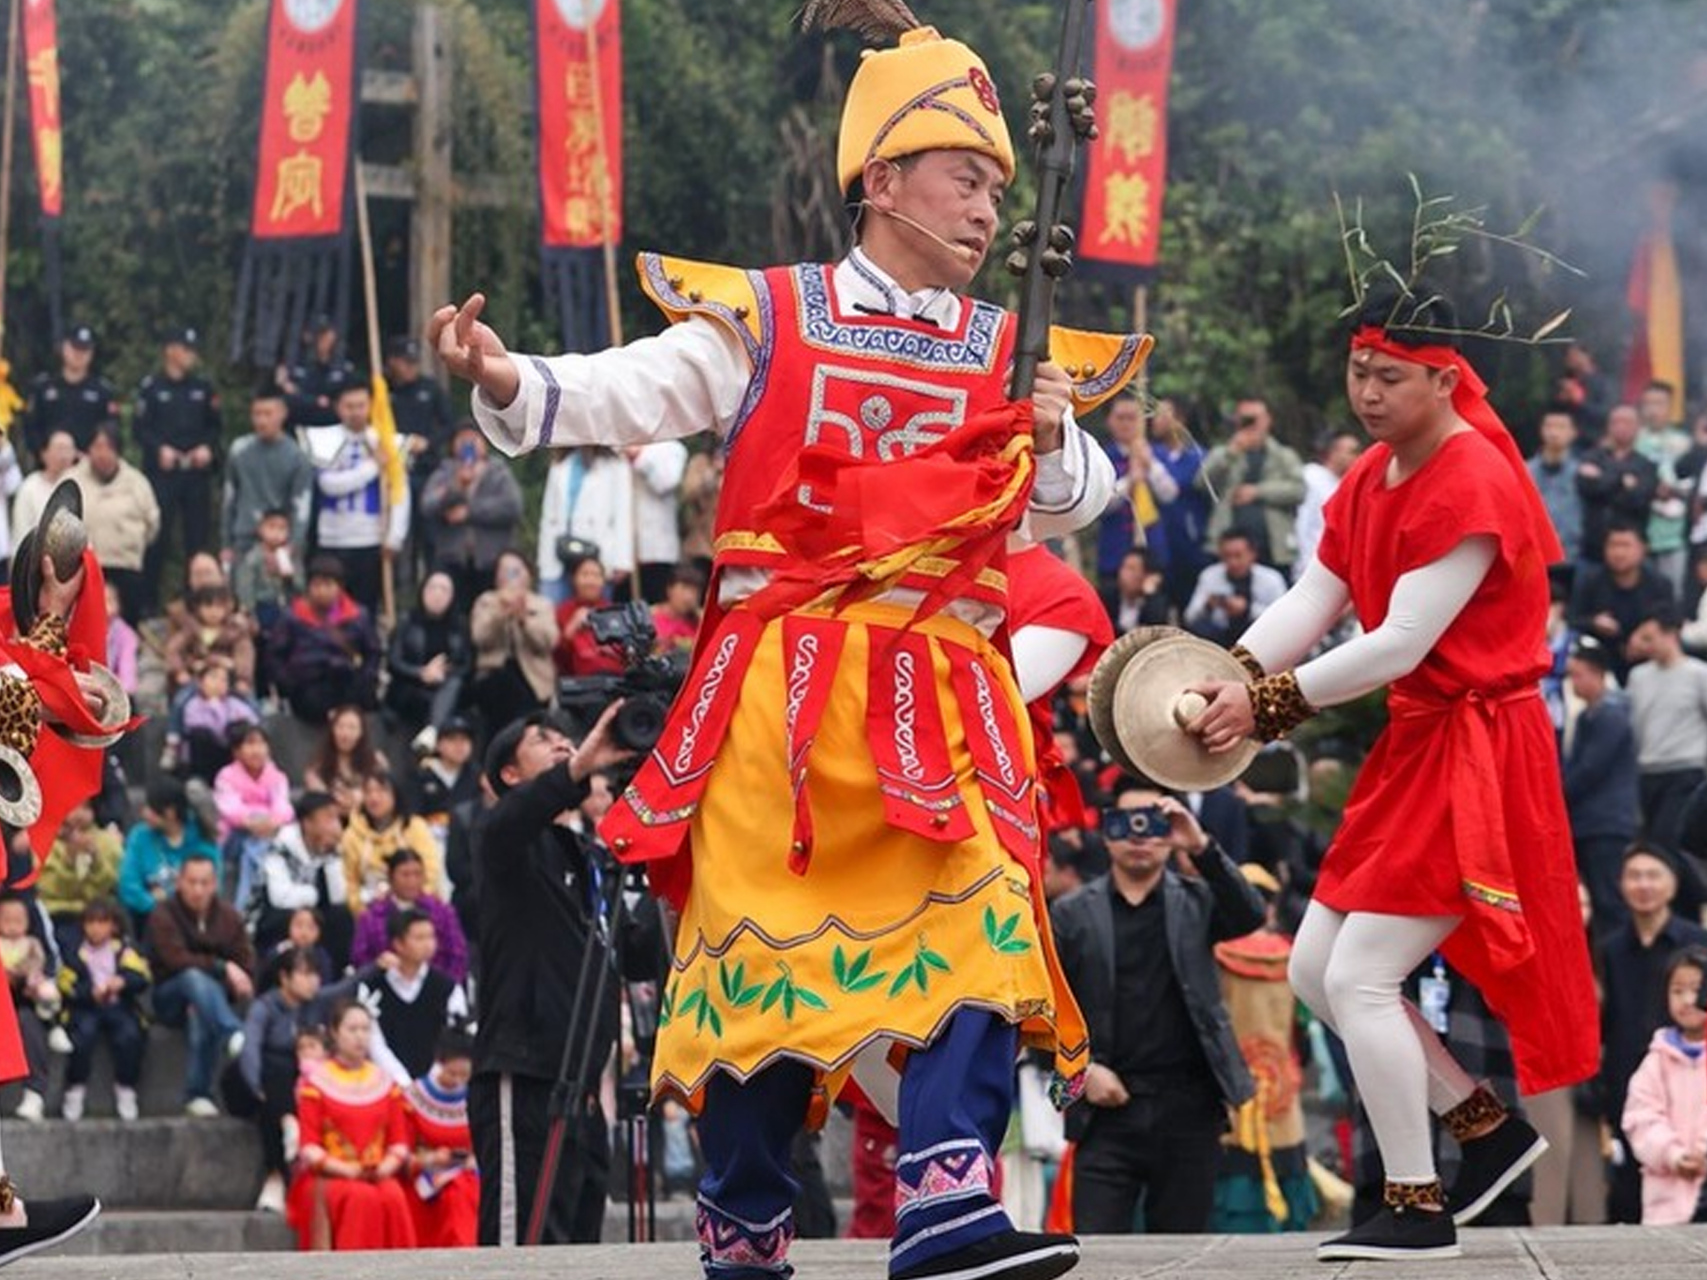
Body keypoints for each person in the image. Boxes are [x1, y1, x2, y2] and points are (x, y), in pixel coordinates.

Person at [437, 17, 1141, 1274]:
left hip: (939, 698)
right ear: (881, 180)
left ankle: (945, 1206)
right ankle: (747, 1229)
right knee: (762, 969)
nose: (986, 211)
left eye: (996, 187)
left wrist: (1050, 426)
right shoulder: (771, 314)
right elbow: (628, 390)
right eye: (963, 178)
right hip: (784, 697)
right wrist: (507, 377)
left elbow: (1076, 495)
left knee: (983, 923)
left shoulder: (1002, 348)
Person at [1187, 288, 1599, 1259]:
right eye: (1358, 370)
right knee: (1314, 968)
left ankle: (1417, 1203)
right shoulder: (1371, 475)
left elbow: (1401, 641)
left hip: (1480, 750)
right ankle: (1482, 1124)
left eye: (1389, 376)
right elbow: (1318, 594)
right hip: (1419, 745)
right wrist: (1217, 675)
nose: (1366, 392)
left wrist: (1268, 703)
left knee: (1365, 974)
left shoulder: (1476, 478)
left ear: (1445, 378)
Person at [467, 711, 661, 1246]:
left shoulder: (588, 860)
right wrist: (578, 765)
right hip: (526, 1078)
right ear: (509, 774)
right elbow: (517, 819)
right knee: (523, 1253)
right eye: (543, 740)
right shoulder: (502, 838)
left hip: (586, 1093)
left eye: (564, 737)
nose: (562, 743)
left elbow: (638, 954)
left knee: (577, 1251)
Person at [1048, 780, 1264, 1234]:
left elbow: (1250, 914)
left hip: (1190, 1107)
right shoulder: (1070, 914)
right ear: (1106, 833)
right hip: (1106, 1111)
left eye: (1154, 822)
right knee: (1098, 1257)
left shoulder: (1197, 900)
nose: (1140, 834)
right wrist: (1081, 1073)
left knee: (1181, 1250)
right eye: (1126, 823)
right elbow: (1042, 1009)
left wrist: (1200, 845)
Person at [1598, 843, 1707, 1223]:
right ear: (1621, 885)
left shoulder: (1697, 942)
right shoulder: (1609, 948)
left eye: (1653, 875)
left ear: (1673, 885)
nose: (1643, 885)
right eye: (1634, 876)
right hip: (1628, 1077)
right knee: (1631, 1190)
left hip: (1693, 1073)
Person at [1210, 862, 1319, 1233]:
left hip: (1230, 1085)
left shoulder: (1216, 953)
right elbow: (1303, 1027)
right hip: (1280, 1083)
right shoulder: (1293, 955)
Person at [287, 998, 418, 1251]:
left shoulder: (384, 1082)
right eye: (352, 1029)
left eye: (365, 1029)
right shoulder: (316, 1084)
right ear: (335, 1033)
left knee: (394, 1196)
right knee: (360, 1198)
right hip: (331, 1175)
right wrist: (348, 1171)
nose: (360, 1037)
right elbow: (309, 1146)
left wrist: (384, 1167)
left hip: (377, 1172)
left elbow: (399, 1141)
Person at [146, 852, 254, 1117]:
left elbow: (246, 962)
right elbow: (175, 959)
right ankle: (231, 1032)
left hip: (212, 999)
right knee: (193, 977)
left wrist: (230, 976)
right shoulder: (163, 914)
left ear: (214, 884)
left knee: (200, 1010)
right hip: (168, 994)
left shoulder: (229, 916)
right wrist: (222, 967)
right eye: (192, 882)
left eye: (204, 883)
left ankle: (198, 1094)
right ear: (180, 882)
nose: (198, 890)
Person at [135, 327, 223, 612]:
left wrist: (207, 448)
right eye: (186, 349)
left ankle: (196, 604)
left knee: (196, 541)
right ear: (170, 350)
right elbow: (140, 429)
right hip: (163, 475)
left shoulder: (203, 388)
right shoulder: (151, 388)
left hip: (195, 475)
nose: (190, 356)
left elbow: (215, 428)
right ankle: (148, 605)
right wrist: (158, 449)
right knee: (156, 541)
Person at [239, 946, 330, 1214]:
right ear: (284, 977)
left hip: (287, 1088)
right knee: (274, 1072)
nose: (312, 981)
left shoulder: (315, 1005)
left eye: (315, 974)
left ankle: (279, 1173)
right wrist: (256, 1087)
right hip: (253, 1083)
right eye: (304, 974)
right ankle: (276, 1173)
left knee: (283, 1080)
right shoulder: (264, 1006)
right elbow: (250, 1049)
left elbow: (346, 986)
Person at [1619, 946, 1707, 1224]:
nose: (1688, 1000)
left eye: (1696, 989)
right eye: (1677, 990)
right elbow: (1640, 1117)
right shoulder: (1656, 1060)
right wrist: (1674, 1155)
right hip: (1665, 1202)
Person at [310, 382, 410, 615]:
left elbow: (399, 491)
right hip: (333, 538)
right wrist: (372, 467)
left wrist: (395, 536)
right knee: (330, 607)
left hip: (370, 537)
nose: (355, 412)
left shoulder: (385, 440)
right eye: (349, 406)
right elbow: (329, 484)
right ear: (338, 407)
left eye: (361, 405)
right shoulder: (326, 439)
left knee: (365, 608)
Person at [1561, 637, 1639, 932]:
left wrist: (1557, 794)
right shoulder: (1585, 717)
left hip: (1607, 822)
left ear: (1598, 673)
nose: (1573, 683)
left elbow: (1590, 768)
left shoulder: (1612, 714)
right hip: (1586, 822)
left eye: (1578, 675)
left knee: (1609, 900)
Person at [1626, 604, 1707, 864]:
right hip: (1648, 771)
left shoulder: (1698, 673)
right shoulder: (1637, 676)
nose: (1646, 645)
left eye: (1650, 638)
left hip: (1686, 770)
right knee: (1654, 848)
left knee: (1671, 843)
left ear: (1671, 634)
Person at [57, 899, 149, 1124]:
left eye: (102, 922)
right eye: (91, 922)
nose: (96, 928)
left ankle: (126, 1086)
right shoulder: (74, 953)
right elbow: (66, 984)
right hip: (85, 1008)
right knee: (82, 1037)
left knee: (129, 1036)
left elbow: (142, 977)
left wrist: (122, 981)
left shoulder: (124, 950)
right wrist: (89, 992)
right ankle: (75, 1088)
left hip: (119, 1005)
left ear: (113, 926)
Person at [353, 908, 467, 1084]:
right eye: (419, 938)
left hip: (435, 1084)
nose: (428, 944)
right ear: (398, 943)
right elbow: (374, 1043)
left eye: (431, 937)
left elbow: (454, 1038)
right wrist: (403, 1082)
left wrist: (428, 1083)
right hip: (386, 1083)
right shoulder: (372, 987)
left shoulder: (448, 988)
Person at [419, 425, 523, 608]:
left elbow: (512, 507)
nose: (468, 444)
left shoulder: (498, 472)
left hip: (491, 561)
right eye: (462, 439)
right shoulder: (444, 472)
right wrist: (456, 487)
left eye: (474, 439)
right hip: (452, 560)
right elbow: (428, 505)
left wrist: (470, 512)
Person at [1199, 396, 1305, 575]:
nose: (1251, 423)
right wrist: (1231, 453)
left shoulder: (1284, 456)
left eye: (1255, 418)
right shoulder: (1223, 453)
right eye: (1245, 418)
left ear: (1268, 420)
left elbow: (1299, 490)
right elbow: (1202, 484)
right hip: (1228, 549)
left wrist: (1258, 492)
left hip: (1274, 548)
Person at [271, 558, 383, 724]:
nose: (322, 591)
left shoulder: (358, 616)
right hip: (308, 683)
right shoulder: (292, 617)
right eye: (316, 585)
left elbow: (373, 652)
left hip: (347, 680)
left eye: (328, 585)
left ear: (339, 587)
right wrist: (289, 685)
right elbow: (275, 655)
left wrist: (366, 677)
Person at [70, 422, 160, 622]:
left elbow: (152, 523)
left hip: (126, 566)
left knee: (127, 627)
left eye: (108, 447)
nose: (102, 454)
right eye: (97, 447)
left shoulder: (137, 483)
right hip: (84, 567)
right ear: (89, 449)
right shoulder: (72, 480)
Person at [222, 385, 313, 569]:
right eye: (257, 414)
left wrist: (292, 546)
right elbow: (229, 499)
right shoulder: (239, 450)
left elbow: (301, 507)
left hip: (280, 543)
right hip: (244, 539)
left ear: (282, 413)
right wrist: (226, 543)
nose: (262, 421)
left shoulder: (296, 456)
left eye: (268, 414)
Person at [1569, 525, 1675, 683]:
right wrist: (1593, 623)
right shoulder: (1591, 581)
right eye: (1613, 545)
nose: (1618, 553)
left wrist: (1643, 637)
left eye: (1625, 545)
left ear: (1643, 548)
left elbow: (1670, 622)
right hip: (1602, 663)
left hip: (1648, 662)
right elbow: (1573, 619)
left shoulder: (1659, 584)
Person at [403, 1027, 479, 1248]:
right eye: (452, 1073)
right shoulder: (413, 1096)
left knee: (463, 1188)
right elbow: (404, 1151)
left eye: (464, 1075)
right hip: (425, 1173)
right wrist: (431, 1159)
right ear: (439, 1063)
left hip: (468, 1172)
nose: (457, 1081)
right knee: (455, 1192)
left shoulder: (475, 1098)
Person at [254, 792, 352, 962]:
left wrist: (331, 856)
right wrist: (315, 895)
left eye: (336, 818)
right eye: (328, 818)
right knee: (296, 919)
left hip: (313, 914)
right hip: (274, 917)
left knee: (341, 915)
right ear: (307, 823)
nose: (335, 825)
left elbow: (337, 896)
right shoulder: (281, 847)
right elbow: (280, 897)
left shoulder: (330, 849)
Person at [117, 776, 219, 936]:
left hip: (194, 918)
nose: (143, 813)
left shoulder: (202, 837)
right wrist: (155, 905)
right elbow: (128, 886)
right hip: (150, 919)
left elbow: (212, 883)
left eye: (149, 808)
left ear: (170, 813)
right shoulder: (139, 836)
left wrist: (172, 903)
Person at [468, 549, 558, 732]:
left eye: (516, 570)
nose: (511, 576)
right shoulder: (486, 601)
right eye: (505, 570)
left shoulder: (542, 604)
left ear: (528, 575)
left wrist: (524, 619)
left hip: (533, 677)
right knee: (503, 686)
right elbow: (481, 639)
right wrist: (501, 614)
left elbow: (548, 642)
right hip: (494, 676)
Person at [350, 849, 468, 985]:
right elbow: (360, 958)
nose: (412, 881)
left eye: (417, 874)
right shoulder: (371, 916)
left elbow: (457, 954)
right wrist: (378, 966)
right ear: (391, 877)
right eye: (405, 875)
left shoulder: (442, 911)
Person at [1095, 391, 1176, 588]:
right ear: (1109, 421)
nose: (1126, 424)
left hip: (1152, 548)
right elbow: (1099, 504)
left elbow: (1170, 494)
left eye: (1132, 418)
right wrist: (1130, 480)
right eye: (1120, 418)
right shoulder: (1102, 457)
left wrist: (1150, 464)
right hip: (1115, 551)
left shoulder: (1157, 453)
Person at [213, 723, 295, 910]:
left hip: (268, 833)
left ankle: (244, 906)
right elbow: (230, 809)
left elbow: (283, 807)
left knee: (254, 848)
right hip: (234, 837)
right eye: (250, 744)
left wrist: (271, 822)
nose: (256, 750)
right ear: (236, 751)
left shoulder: (277, 776)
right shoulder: (226, 776)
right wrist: (256, 821)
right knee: (254, 842)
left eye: (261, 743)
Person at [340, 773, 443, 915]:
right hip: (370, 910)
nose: (374, 798)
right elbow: (349, 882)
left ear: (396, 795)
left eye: (382, 790)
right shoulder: (351, 835)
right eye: (368, 792)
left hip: (416, 908)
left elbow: (431, 873)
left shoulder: (415, 827)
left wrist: (406, 902)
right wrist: (363, 910)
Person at [384, 572, 471, 739]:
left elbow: (467, 664)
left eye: (444, 590)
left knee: (453, 687)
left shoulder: (460, 626)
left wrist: (444, 672)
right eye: (432, 588)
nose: (437, 594)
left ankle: (431, 731)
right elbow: (393, 661)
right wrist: (422, 673)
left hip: (446, 686)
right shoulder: (406, 621)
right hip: (411, 685)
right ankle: (433, 732)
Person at [36, 802, 122, 961]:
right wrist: (69, 860)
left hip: (99, 911)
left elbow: (109, 883)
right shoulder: (45, 841)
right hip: (61, 914)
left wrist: (96, 860)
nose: (80, 814)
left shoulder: (107, 842)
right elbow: (51, 888)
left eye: (86, 807)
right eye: (74, 806)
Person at [20, 323, 118, 462]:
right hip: (48, 466)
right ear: (64, 347)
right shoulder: (42, 387)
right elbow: (31, 426)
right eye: (75, 348)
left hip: (88, 467)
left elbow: (110, 430)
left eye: (84, 350)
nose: (79, 354)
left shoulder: (102, 391)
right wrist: (42, 453)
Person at [1576, 405, 1657, 568]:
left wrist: (1603, 478)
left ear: (1638, 427)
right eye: (1616, 422)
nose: (1621, 427)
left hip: (1632, 551)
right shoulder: (1592, 457)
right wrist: (1622, 480)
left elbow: (1638, 499)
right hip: (1593, 549)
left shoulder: (1646, 465)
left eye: (1627, 422)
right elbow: (1586, 489)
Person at [0, 899, 57, 1123]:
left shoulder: (32, 944)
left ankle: (34, 1094)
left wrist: (23, 977)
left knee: (28, 1023)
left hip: (24, 1002)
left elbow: (46, 965)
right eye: (6, 921)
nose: (12, 926)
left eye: (18, 921)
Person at [1184, 530, 1288, 647]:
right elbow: (1189, 617)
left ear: (1253, 554)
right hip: (1220, 641)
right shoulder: (1209, 576)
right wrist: (1208, 606)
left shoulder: (1271, 579)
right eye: (1226, 556)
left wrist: (1247, 610)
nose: (1232, 562)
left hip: (1262, 640)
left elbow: (1283, 621)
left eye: (1238, 556)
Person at [1635, 380, 1691, 596]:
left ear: (1670, 408)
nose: (1653, 410)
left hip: (1674, 534)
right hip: (1639, 532)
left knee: (1672, 594)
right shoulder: (1634, 441)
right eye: (1648, 404)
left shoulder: (1684, 443)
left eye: (1660, 403)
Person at [1294, 426, 1361, 580]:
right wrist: (1303, 564)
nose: (1359, 457)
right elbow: (1302, 523)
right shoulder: (1311, 477)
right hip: (1309, 563)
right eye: (1352, 451)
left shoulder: (1345, 484)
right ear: (1333, 451)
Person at [304, 703, 389, 819]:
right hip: (332, 821)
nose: (345, 734)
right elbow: (317, 797)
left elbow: (386, 792)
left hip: (369, 818)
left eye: (352, 727)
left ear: (361, 732)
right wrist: (337, 800)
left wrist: (360, 797)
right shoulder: (318, 763)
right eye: (340, 727)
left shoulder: (376, 760)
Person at [550, 552, 624, 678]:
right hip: (577, 683)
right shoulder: (562, 611)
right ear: (574, 579)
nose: (590, 581)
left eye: (596, 575)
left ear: (603, 581)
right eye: (585, 575)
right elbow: (557, 659)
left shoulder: (615, 611)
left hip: (613, 682)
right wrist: (571, 628)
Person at [1526, 408, 1583, 568]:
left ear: (1574, 432)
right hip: (1533, 557)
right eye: (1549, 426)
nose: (1554, 432)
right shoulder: (1525, 471)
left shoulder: (1582, 472)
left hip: (1572, 557)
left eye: (1561, 427)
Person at [279, 314, 357, 429]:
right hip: (300, 425)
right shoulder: (293, 365)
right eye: (319, 335)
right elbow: (288, 396)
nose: (323, 339)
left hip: (334, 426)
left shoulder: (343, 366)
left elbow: (348, 396)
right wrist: (314, 401)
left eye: (326, 334)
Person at [10, 430, 78, 553]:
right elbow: (21, 531)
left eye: (68, 449)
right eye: (59, 449)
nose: (64, 455)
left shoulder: (80, 485)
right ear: (44, 453)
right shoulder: (29, 487)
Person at [1099, 547, 1171, 635]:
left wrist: (1150, 595)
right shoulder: (1107, 595)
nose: (1123, 573)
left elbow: (1157, 630)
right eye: (1123, 567)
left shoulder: (1157, 601)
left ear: (1147, 574)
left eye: (1131, 569)